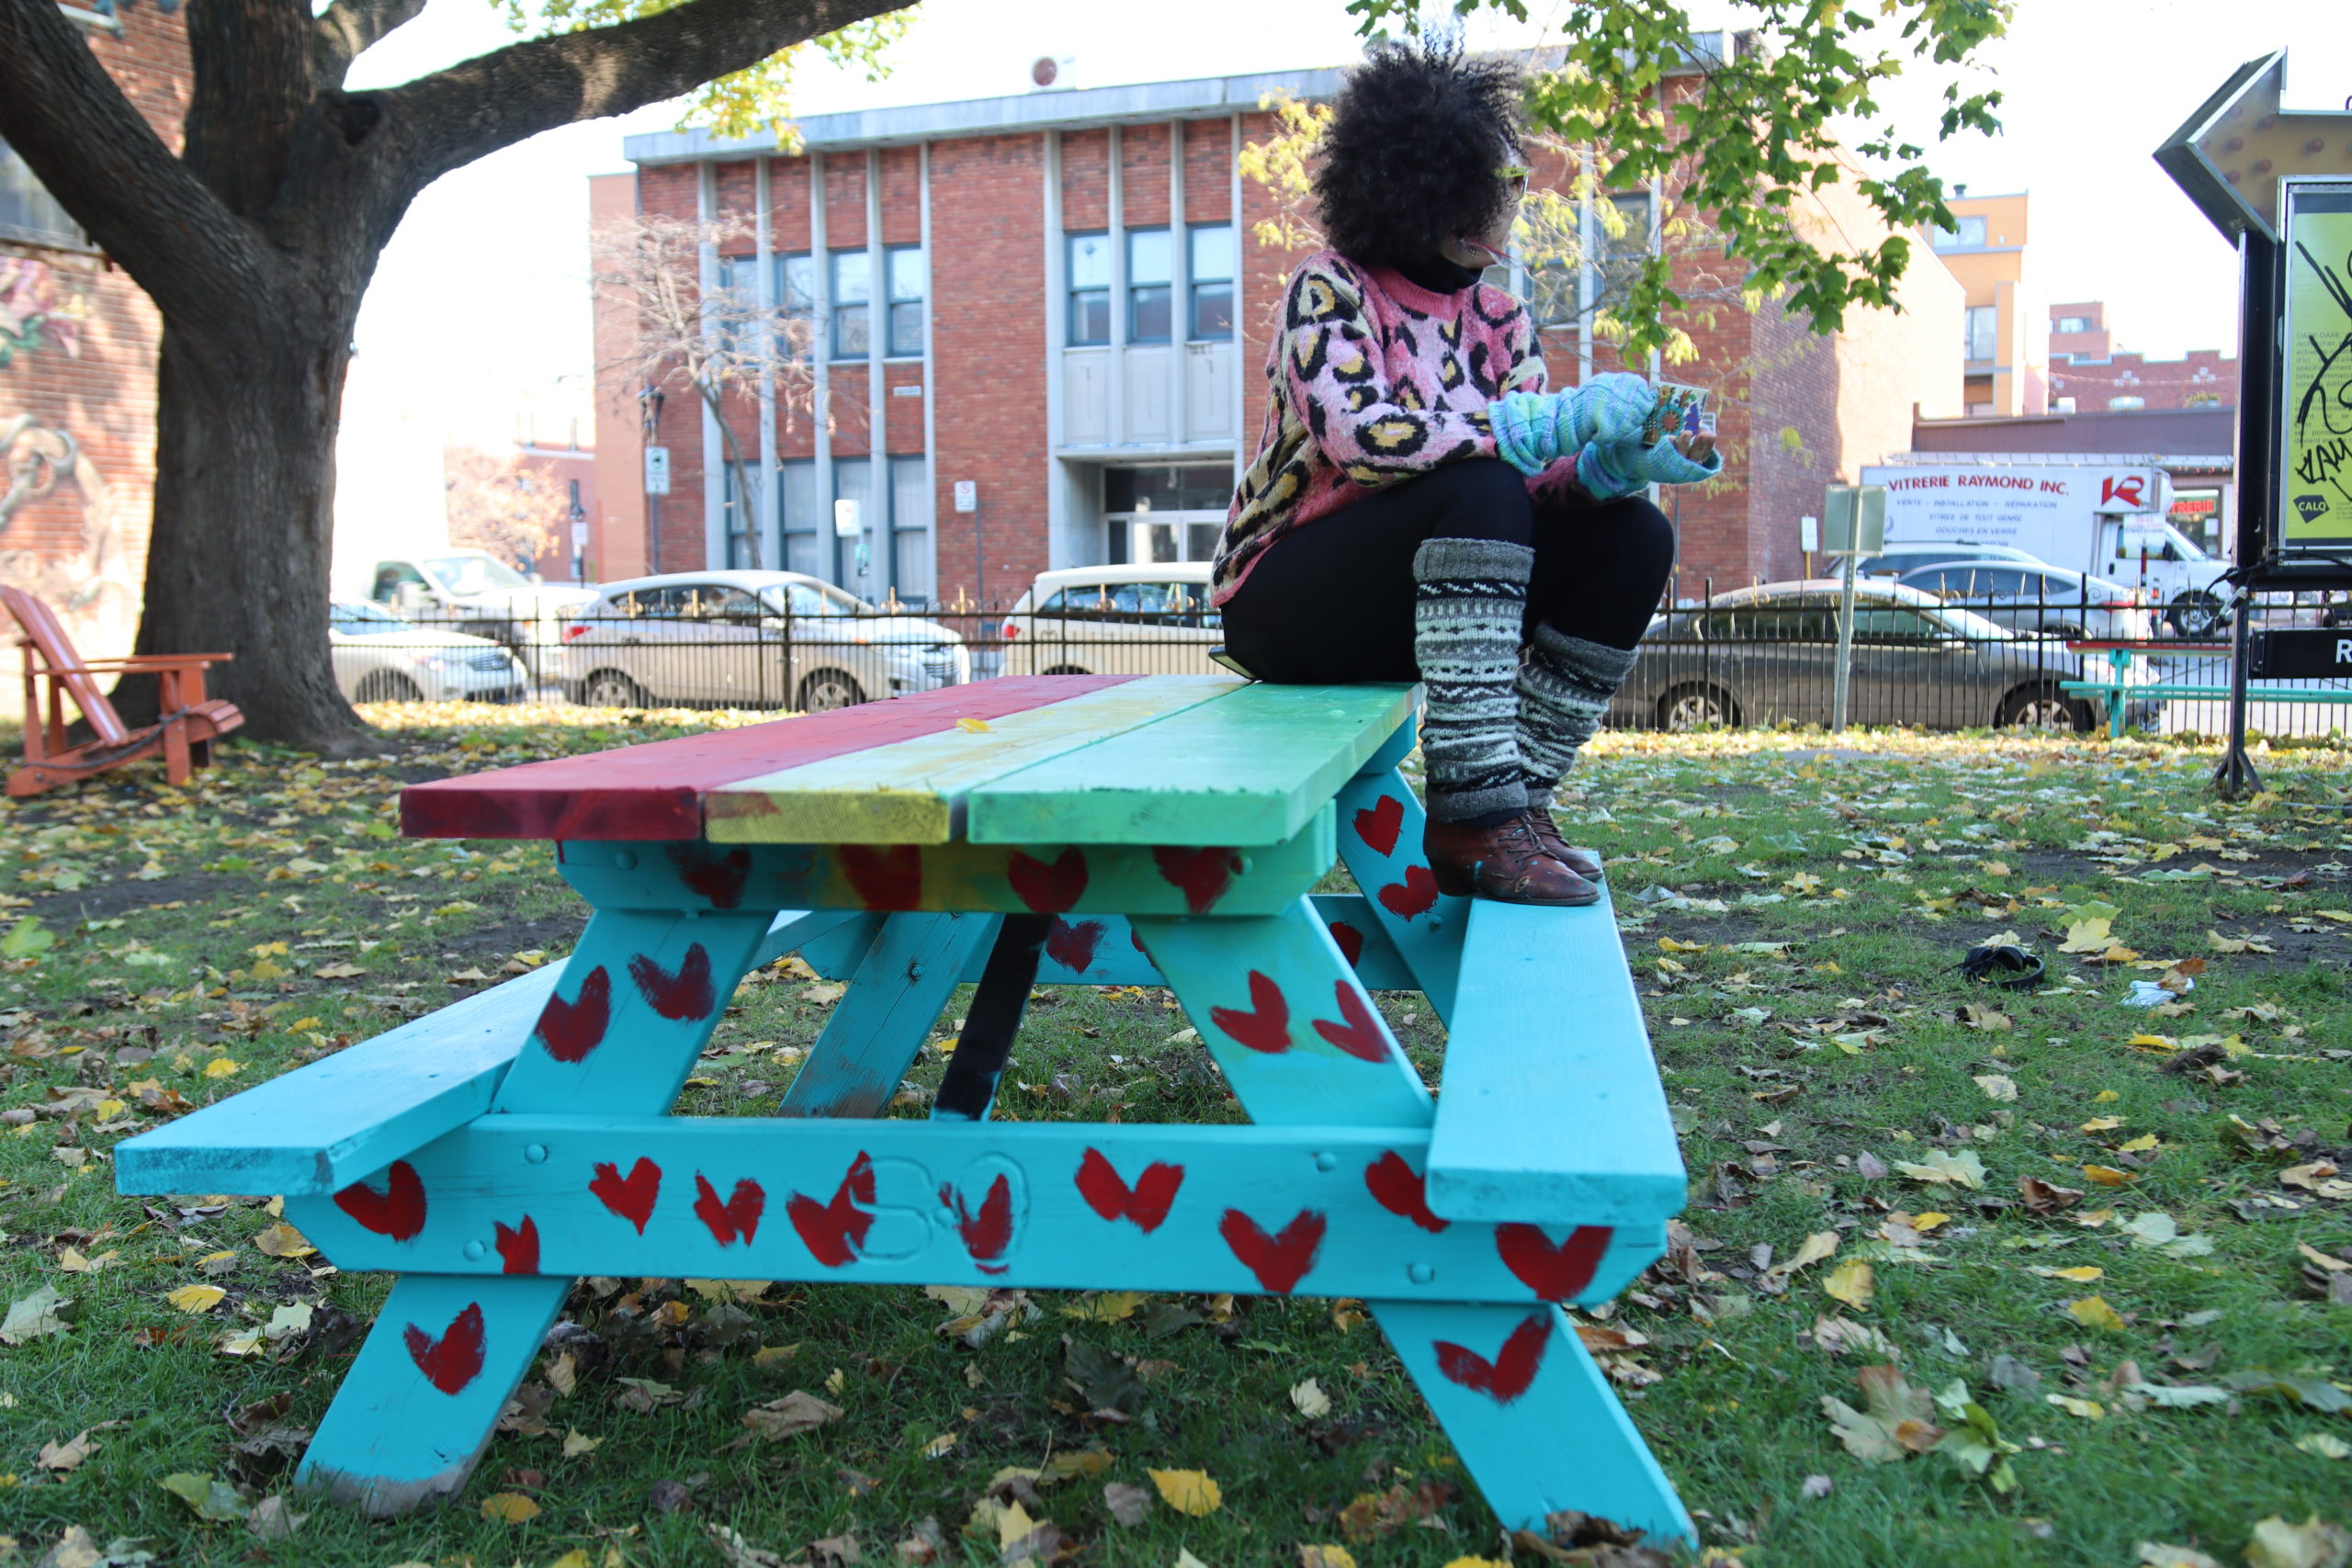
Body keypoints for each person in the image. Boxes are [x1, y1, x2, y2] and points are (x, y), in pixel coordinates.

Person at [1210, 37, 1720, 908]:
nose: (1508, 207)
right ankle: (1472, 818)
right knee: (1477, 483)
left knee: (1636, 535)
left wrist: (1611, 465)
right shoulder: (1329, 288)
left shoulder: (1500, 319)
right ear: (1424, 194)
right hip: (1286, 594)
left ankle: (1516, 804)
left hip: (1423, 599)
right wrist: (1536, 423)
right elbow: (1362, 440)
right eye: (1495, 188)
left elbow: (1535, 490)